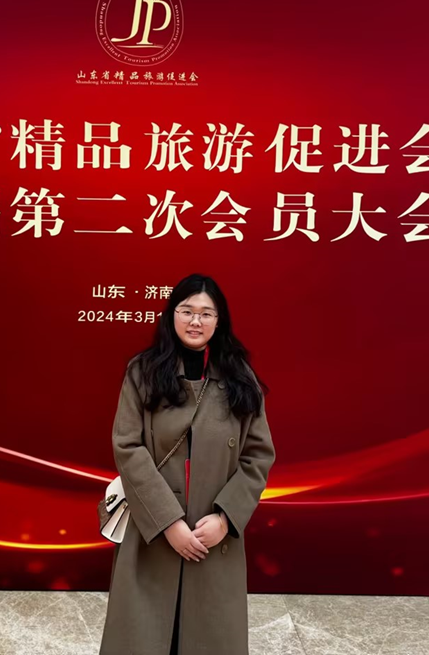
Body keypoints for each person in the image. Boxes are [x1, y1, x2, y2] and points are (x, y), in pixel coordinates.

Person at [99, 273, 277, 655]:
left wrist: (225, 519)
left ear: (219, 320)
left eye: (206, 313)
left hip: (211, 537)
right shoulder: (143, 372)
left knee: (209, 638)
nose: (196, 321)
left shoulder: (239, 378)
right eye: (187, 311)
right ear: (172, 315)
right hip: (152, 531)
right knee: (144, 638)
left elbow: (258, 456)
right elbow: (128, 447)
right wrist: (168, 522)